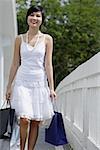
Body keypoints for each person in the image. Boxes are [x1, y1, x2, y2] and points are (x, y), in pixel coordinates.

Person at [5, 5, 57, 150]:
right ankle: (22, 148)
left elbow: (48, 64)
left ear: (42, 20)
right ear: (27, 17)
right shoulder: (19, 39)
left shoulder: (47, 39)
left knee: (35, 121)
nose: (34, 18)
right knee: (24, 119)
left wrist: (52, 88)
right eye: (32, 15)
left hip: (39, 83)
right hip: (22, 82)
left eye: (38, 16)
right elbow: (15, 63)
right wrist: (9, 86)